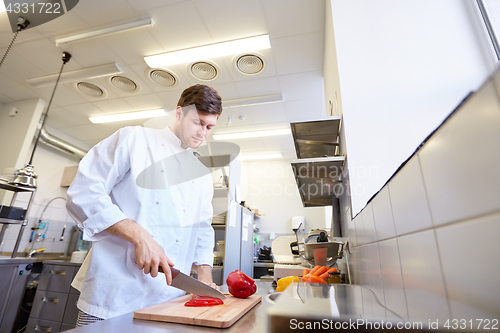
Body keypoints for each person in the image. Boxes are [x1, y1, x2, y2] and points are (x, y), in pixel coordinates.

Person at [66, 84, 222, 326]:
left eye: (210, 127)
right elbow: (84, 190)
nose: (203, 132)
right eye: (198, 122)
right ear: (179, 113)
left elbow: (202, 227)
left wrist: (205, 279)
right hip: (114, 294)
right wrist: (140, 236)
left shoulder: (201, 174)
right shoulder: (134, 138)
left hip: (169, 299)